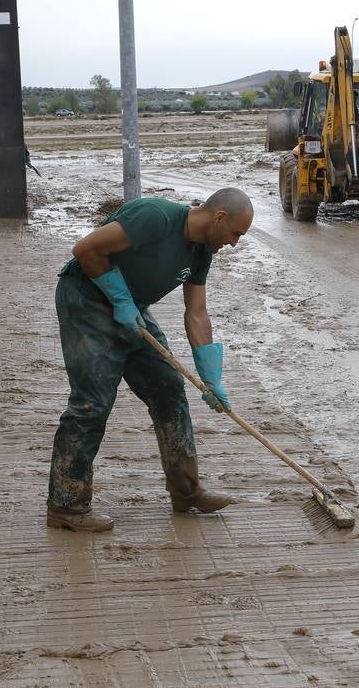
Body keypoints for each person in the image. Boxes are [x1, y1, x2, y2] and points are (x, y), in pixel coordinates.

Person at [47, 187, 254, 532]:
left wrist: (210, 376)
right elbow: (85, 249)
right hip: (86, 300)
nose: (234, 242)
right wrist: (119, 297)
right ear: (219, 218)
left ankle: (186, 492)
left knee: (169, 390)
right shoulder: (154, 217)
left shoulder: (201, 253)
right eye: (236, 233)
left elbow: (197, 313)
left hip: (131, 310)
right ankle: (66, 506)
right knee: (92, 403)